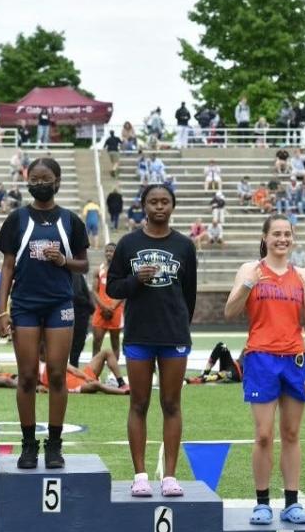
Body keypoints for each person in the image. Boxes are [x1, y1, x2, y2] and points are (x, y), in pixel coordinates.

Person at [224, 214, 305, 526]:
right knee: (264, 435)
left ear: (293, 238)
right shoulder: (250, 270)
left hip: (294, 357)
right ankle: (262, 502)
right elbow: (230, 311)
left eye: (287, 234)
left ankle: (292, 502)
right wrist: (248, 285)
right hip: (261, 357)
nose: (282, 239)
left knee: (291, 433)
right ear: (265, 237)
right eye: (276, 233)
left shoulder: (303, 274)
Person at [0, 157, 89, 469]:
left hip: (60, 303)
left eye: (45, 178)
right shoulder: (16, 219)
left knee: (58, 375)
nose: (40, 183)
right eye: (34, 178)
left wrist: (63, 261)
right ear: (27, 181)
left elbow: (83, 264)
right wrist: (0, 310)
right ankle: (29, 443)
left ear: (57, 182)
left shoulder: (71, 220)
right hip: (24, 305)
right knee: (28, 376)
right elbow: (8, 266)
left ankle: (55, 444)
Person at [106, 183, 196, 497]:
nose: (159, 207)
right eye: (153, 202)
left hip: (173, 334)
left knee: (171, 404)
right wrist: (135, 280)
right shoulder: (129, 243)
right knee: (139, 403)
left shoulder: (184, 245)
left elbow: (190, 295)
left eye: (165, 202)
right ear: (143, 205)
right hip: (139, 334)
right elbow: (113, 288)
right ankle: (140, 475)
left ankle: (170, 476)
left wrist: (181, 323)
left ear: (173, 206)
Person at [38, 347, 129, 395]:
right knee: (96, 385)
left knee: (107, 351)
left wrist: (87, 377)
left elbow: (74, 371)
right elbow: (34, 385)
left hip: (82, 376)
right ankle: (124, 392)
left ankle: (121, 383)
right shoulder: (37, 368)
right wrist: (41, 389)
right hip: (76, 387)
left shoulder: (55, 359)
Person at [91, 242, 123, 360]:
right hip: (101, 311)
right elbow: (94, 290)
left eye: (111, 251)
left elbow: (125, 291)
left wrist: (113, 307)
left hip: (116, 311)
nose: (109, 253)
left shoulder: (122, 271)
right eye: (107, 251)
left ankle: (114, 376)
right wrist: (103, 306)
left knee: (115, 343)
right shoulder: (98, 270)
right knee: (96, 342)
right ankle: (94, 374)